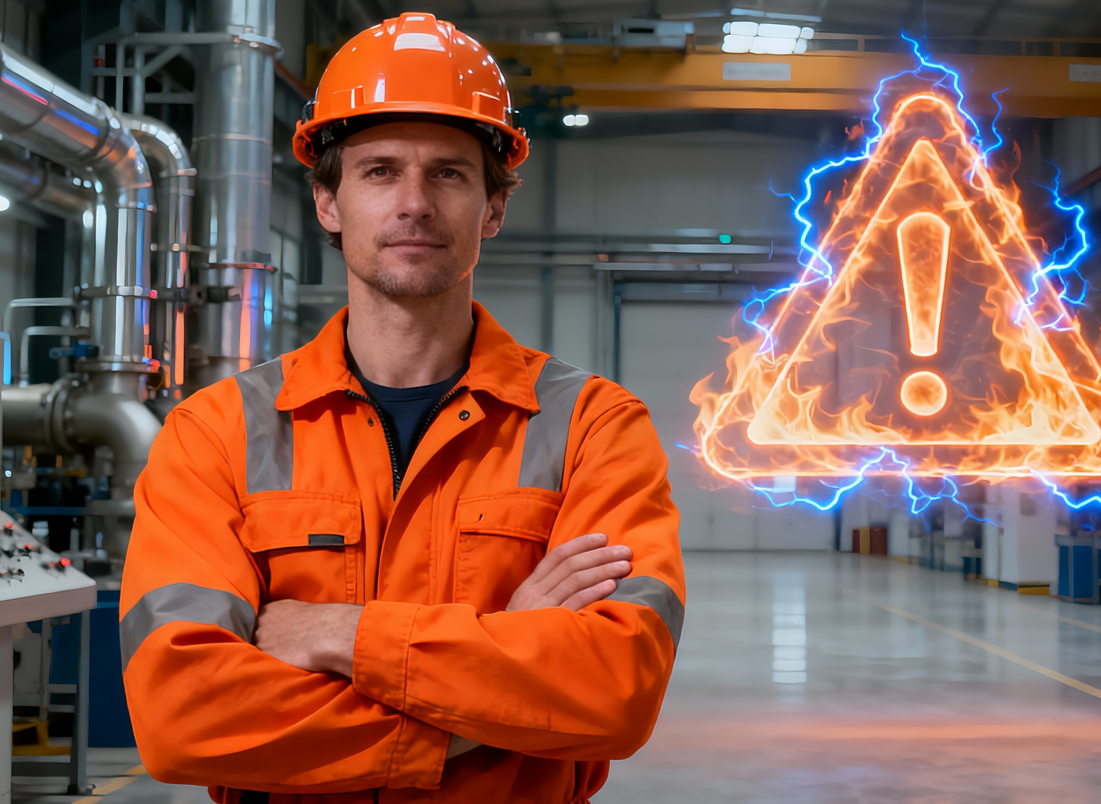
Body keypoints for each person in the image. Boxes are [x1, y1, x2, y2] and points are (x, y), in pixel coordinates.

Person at [119, 12, 685, 804]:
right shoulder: (214, 433)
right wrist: (496, 682)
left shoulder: (594, 426)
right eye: (380, 170)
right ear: (326, 201)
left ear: (492, 209)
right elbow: (180, 716)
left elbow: (614, 691)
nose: (415, 202)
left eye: (450, 173)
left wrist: (336, 634)